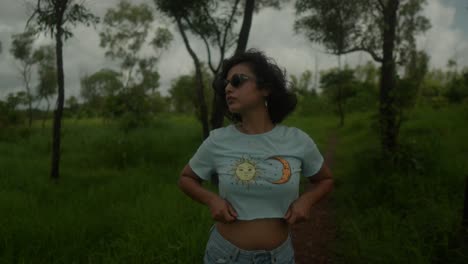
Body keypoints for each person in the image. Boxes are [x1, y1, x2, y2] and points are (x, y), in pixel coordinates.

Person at [178, 49, 334, 264]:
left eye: (237, 80)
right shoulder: (218, 140)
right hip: (224, 256)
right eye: (226, 84)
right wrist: (211, 199)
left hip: (280, 258)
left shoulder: (298, 140)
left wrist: (306, 200)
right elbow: (186, 179)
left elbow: (325, 180)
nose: (228, 88)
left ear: (266, 88)